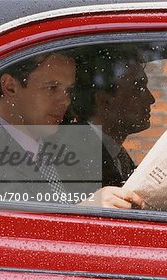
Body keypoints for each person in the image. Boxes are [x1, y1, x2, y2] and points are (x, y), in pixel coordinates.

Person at [0, 51, 144, 209]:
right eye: (52, 88)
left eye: (68, 90)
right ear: (10, 87)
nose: (65, 101)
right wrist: (84, 210)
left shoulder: (66, 147)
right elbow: (3, 241)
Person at [65, 47, 156, 187]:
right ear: (104, 100)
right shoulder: (75, 156)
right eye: (138, 89)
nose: (151, 99)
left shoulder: (114, 153)